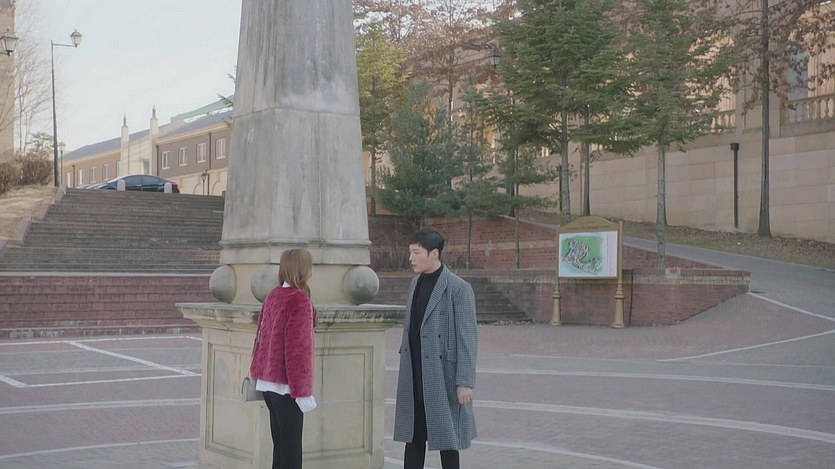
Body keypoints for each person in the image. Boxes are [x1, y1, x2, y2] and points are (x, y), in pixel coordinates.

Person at [393, 228, 478, 469]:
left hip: (442, 375)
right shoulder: (414, 283)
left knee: (448, 441)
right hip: (414, 374)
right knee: (413, 438)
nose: (411, 258)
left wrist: (465, 382)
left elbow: (468, 338)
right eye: (410, 252)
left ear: (434, 254)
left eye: (416, 252)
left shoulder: (458, 288)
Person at [250, 249, 317, 469]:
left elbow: (260, 338)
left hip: (268, 384)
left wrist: (257, 371)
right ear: (304, 269)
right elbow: (298, 351)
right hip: (287, 387)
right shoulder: (299, 299)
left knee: (280, 449)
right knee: (291, 454)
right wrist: (302, 392)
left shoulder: (274, 295)